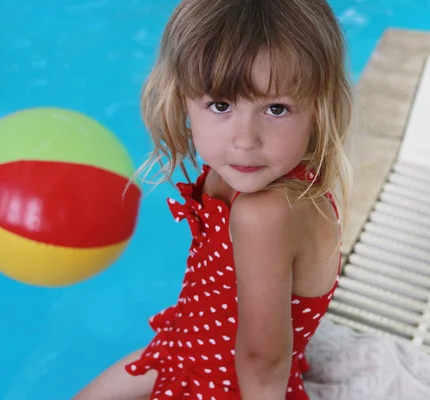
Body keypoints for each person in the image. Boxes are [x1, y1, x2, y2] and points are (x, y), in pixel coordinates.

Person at [73, 0, 353, 398]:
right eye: (221, 105)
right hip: (184, 349)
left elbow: (263, 363)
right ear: (182, 98)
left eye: (276, 108)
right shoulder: (227, 174)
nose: (244, 140)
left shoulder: (266, 212)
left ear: (318, 110)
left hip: (226, 387)